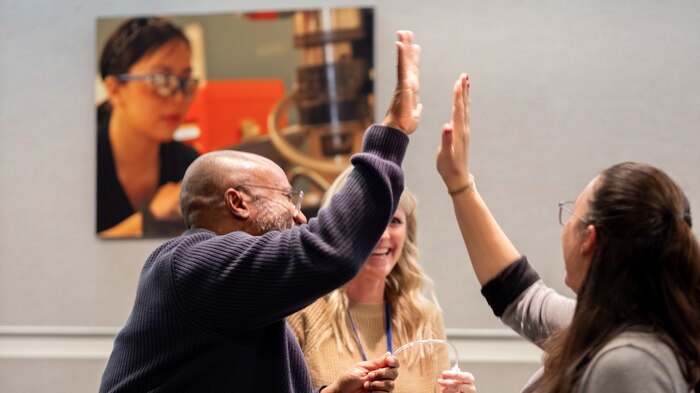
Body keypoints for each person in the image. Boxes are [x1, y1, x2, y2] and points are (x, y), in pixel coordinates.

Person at [99, 30, 422, 393]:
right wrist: (392, 132)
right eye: (287, 198)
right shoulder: (194, 264)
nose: (299, 216)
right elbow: (330, 250)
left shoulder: (238, 292)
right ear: (238, 202)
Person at [435, 74, 700, 392]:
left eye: (572, 212)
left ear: (589, 239)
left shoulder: (630, 364)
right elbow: (518, 296)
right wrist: (459, 183)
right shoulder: (608, 323)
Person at [288, 168, 476, 393]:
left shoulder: (425, 320)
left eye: (394, 221)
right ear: (338, 227)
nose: (383, 235)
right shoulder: (301, 315)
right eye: (370, 220)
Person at [97, 17, 200, 238]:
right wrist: (149, 219)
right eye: (161, 81)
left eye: (185, 80)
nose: (178, 98)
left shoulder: (188, 165)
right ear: (115, 90)